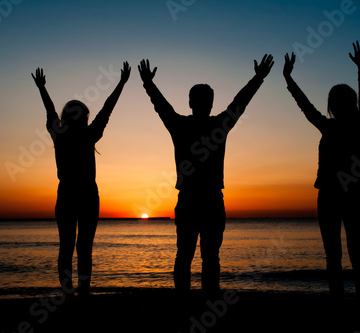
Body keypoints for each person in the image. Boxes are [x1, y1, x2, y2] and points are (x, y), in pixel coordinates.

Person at [138, 55, 274, 296]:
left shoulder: (185, 125)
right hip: (205, 200)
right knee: (206, 256)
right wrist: (258, 77)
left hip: (195, 199)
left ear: (191, 102)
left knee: (190, 255)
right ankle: (203, 302)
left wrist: (148, 83)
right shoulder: (216, 126)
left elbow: (161, 106)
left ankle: (188, 302)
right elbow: (239, 103)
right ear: (206, 103)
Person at [283, 41, 360, 301]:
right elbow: (307, 107)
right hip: (337, 197)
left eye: (336, 102)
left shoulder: (353, 125)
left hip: (337, 197)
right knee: (349, 254)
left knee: (341, 255)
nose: (334, 106)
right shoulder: (345, 126)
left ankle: (350, 303)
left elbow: (308, 107)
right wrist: (289, 79)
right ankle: (357, 304)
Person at [31, 62, 131, 296]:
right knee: (82, 247)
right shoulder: (86, 134)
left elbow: (51, 111)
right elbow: (107, 109)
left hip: (70, 195)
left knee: (69, 246)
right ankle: (81, 291)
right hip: (83, 195)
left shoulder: (64, 134)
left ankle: (71, 291)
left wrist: (42, 88)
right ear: (84, 117)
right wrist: (121, 83)